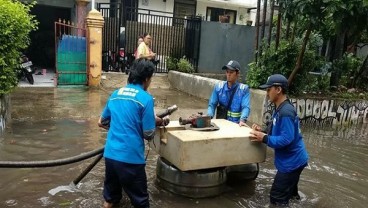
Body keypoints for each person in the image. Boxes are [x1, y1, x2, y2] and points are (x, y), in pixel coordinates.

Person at [98, 59, 168, 208]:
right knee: (141, 202)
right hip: (131, 160)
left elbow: (102, 122)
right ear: (147, 78)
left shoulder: (115, 94)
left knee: (110, 199)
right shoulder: (146, 98)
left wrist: (120, 128)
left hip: (110, 156)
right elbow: (148, 134)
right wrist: (154, 122)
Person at [249, 74, 309, 206]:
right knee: (291, 196)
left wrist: (264, 138)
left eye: (269, 89)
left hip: (291, 163)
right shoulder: (281, 108)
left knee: (277, 198)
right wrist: (262, 131)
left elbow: (286, 139)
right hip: (296, 160)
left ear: (278, 89)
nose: (267, 93)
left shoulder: (285, 111)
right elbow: (275, 128)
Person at [207, 60, 250, 126]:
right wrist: (209, 117)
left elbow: (246, 107)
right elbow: (212, 104)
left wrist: (242, 120)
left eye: (231, 72)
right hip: (221, 124)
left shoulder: (243, 89)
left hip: (236, 125)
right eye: (227, 72)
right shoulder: (219, 87)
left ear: (237, 73)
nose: (228, 74)